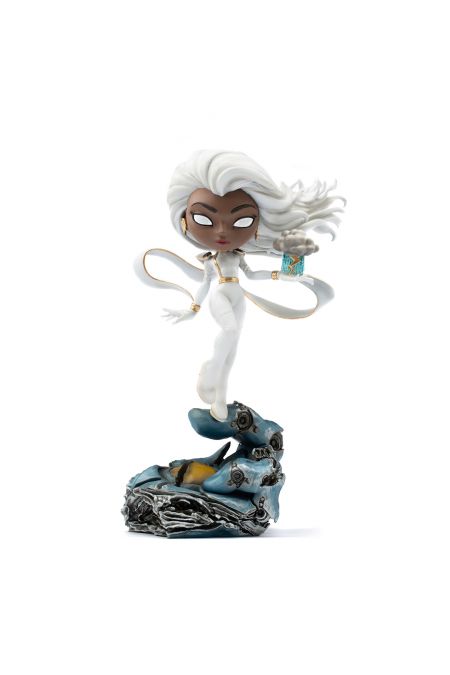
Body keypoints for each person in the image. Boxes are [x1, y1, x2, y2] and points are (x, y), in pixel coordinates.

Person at [138, 150, 345, 421]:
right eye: (204, 220)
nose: (222, 232)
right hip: (221, 296)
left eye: (242, 221)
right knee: (229, 330)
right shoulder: (211, 259)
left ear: (257, 225)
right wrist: (193, 308)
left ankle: (220, 401)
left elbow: (253, 275)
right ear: (184, 221)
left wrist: (282, 276)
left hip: (238, 296)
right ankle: (211, 368)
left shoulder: (238, 256)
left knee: (233, 349)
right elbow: (205, 283)